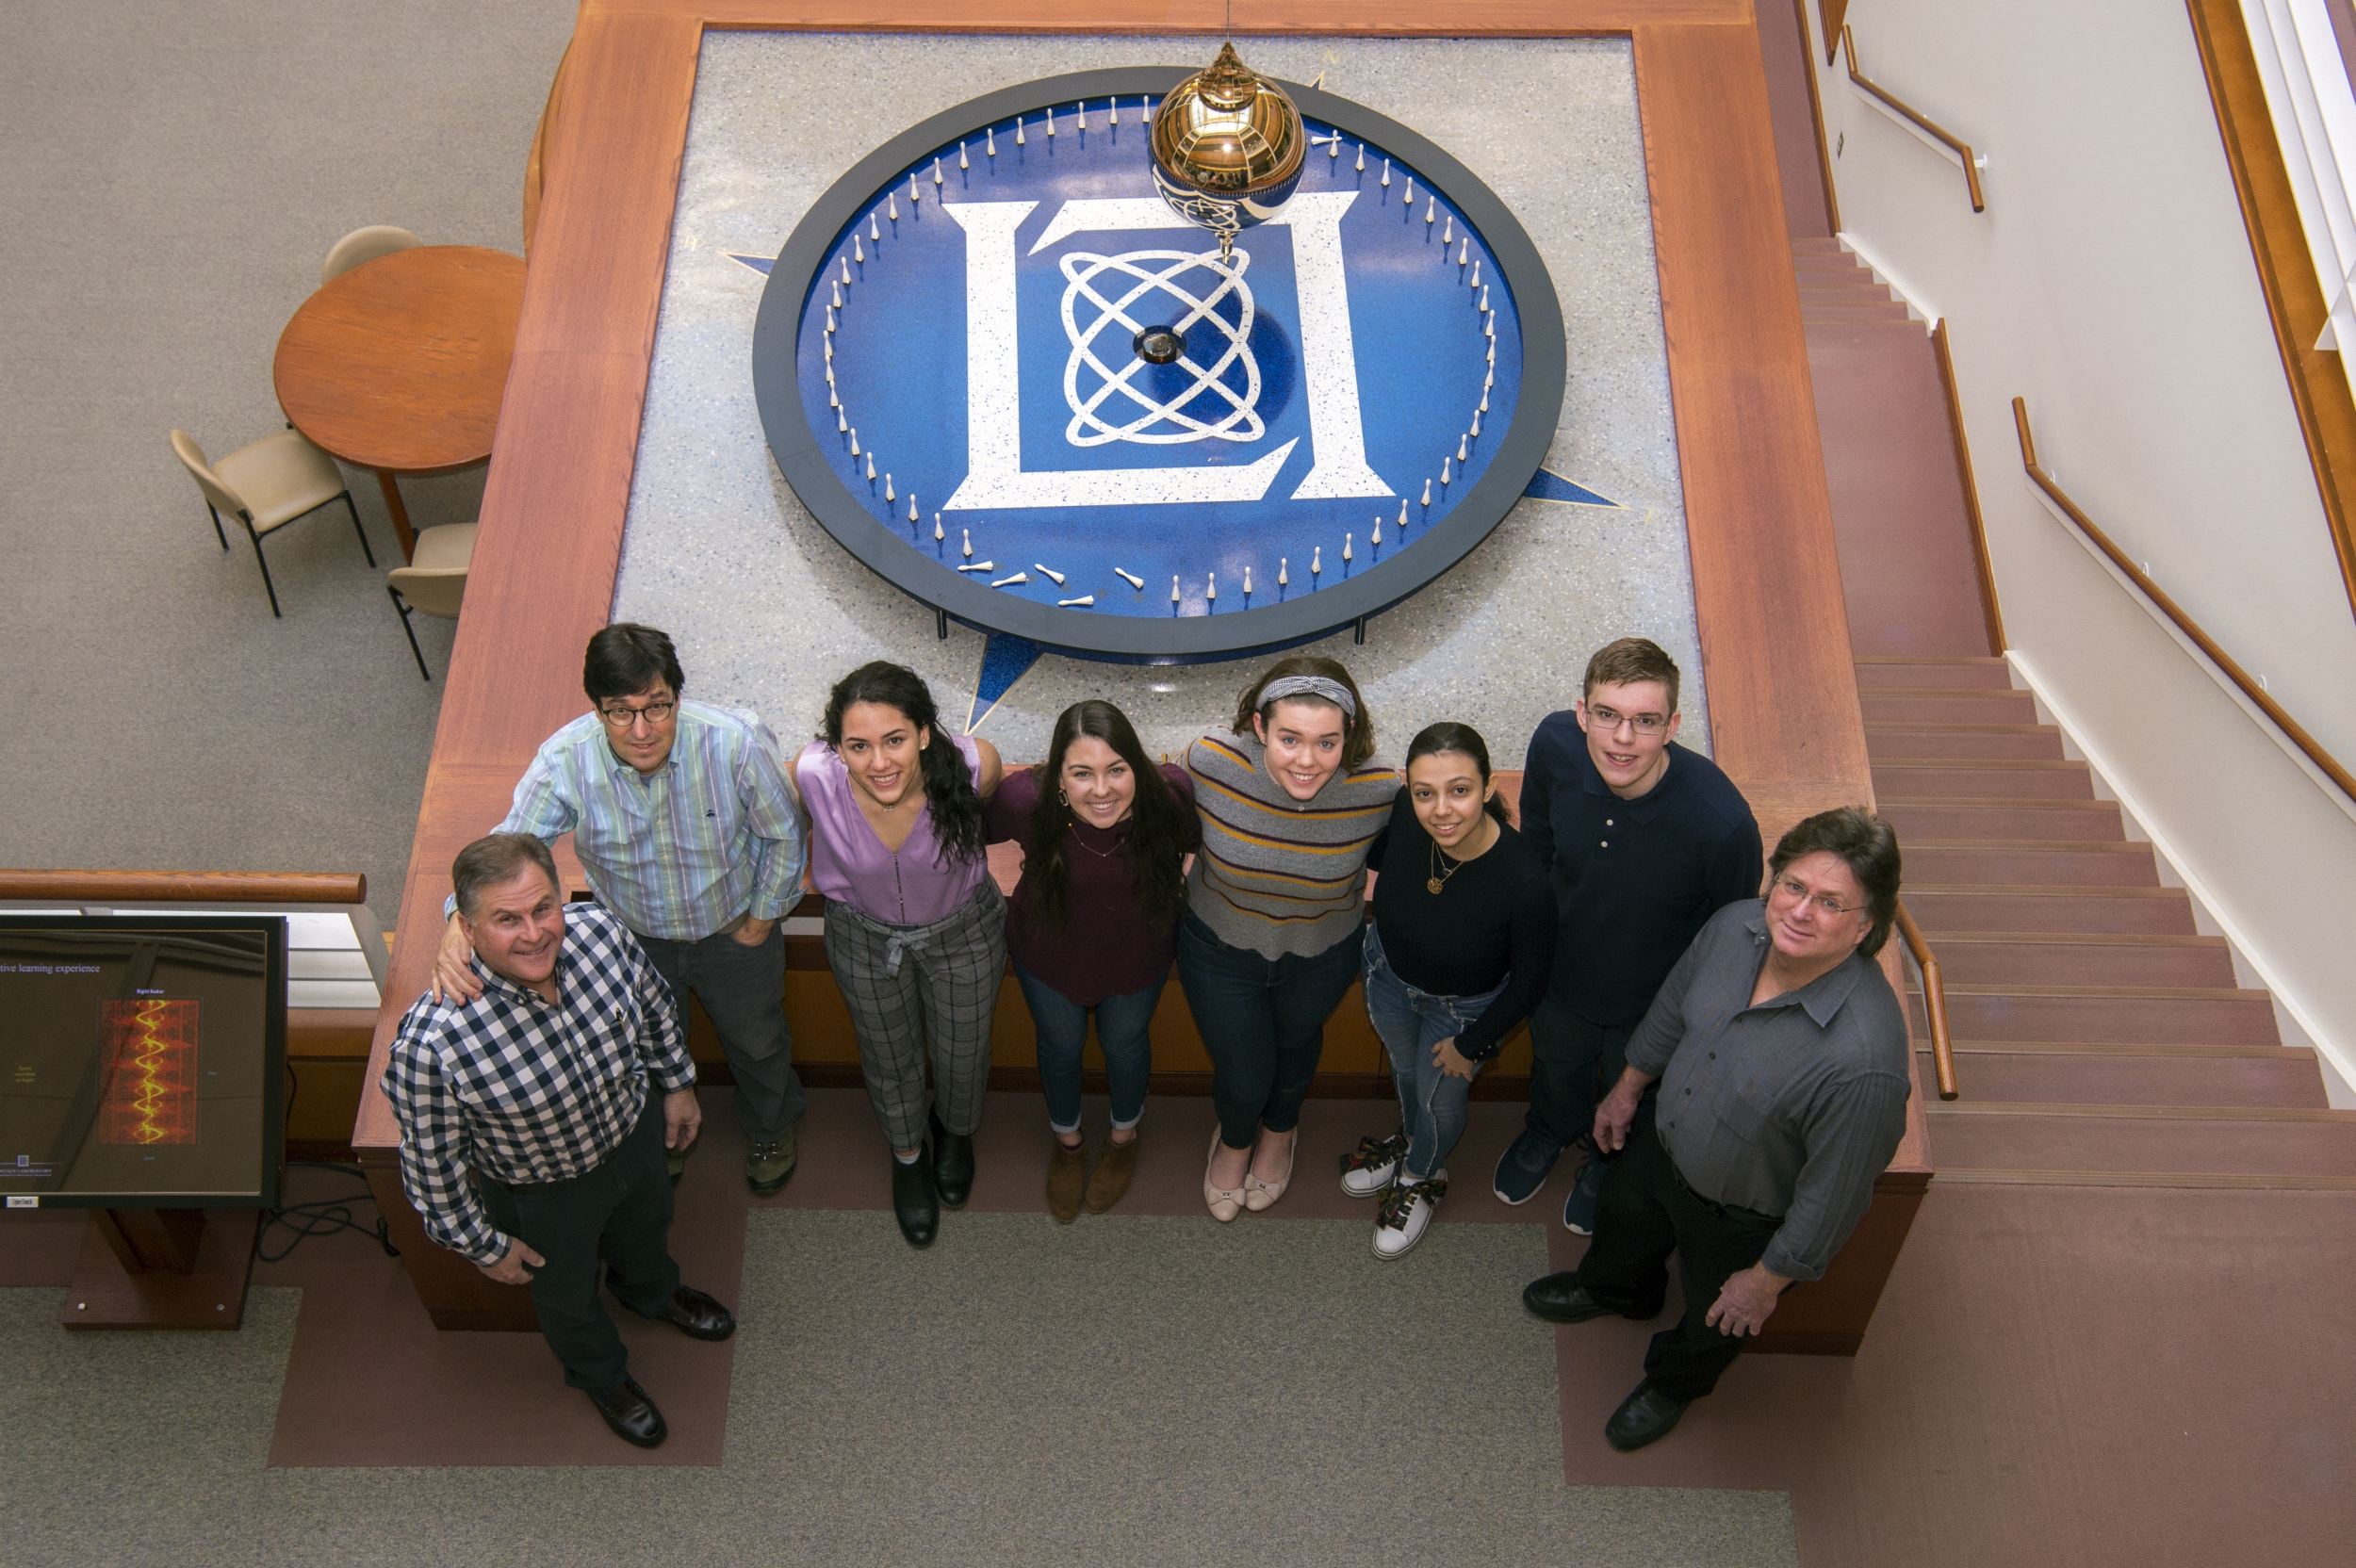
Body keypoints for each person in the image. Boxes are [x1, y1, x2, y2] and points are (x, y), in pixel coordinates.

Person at [1522, 808, 1912, 1452]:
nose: (1800, 911)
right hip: (1659, 1146)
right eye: (1793, 885)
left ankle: (1674, 1384)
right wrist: (1626, 1090)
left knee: (1717, 1316)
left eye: (1831, 902)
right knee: (1623, 1227)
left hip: (1741, 1218)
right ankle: (1616, 1290)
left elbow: (1833, 1198)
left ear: (1866, 926)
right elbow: (1673, 1009)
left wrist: (1766, 1280)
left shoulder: (1864, 1063)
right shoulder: (1734, 927)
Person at [431, 624, 809, 1198]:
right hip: (632, 944)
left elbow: (784, 835)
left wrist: (760, 920)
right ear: (597, 710)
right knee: (649, 1049)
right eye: (620, 712)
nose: (641, 730)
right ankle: (667, 1136)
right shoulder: (565, 759)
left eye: (657, 707)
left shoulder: (736, 742)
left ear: (677, 695)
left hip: (734, 933)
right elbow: (508, 849)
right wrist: (458, 922)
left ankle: (772, 1128)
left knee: (758, 1041)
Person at [385, 834, 737, 1450]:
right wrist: (480, 1245)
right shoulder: (431, 1043)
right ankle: (601, 1375)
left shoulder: (600, 932)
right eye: (506, 919)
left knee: (647, 1232)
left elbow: (654, 1007)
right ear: (465, 927)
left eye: (542, 908)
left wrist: (677, 1086)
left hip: (633, 1140)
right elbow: (430, 1165)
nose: (533, 933)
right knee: (568, 1298)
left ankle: (650, 1292)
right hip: (540, 1195)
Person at [1496, 637, 1762, 1236]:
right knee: (1557, 1068)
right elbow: (1536, 845)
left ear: (1672, 726)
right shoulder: (1554, 746)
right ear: (1582, 713)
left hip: (1653, 1005)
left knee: (1630, 1102)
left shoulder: (1721, 826)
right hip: (1561, 977)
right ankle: (1549, 1131)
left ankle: (1605, 1163)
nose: (1622, 739)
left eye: (1644, 721)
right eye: (1608, 716)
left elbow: (1730, 940)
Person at [789, 661, 1004, 1249]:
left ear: (925, 734)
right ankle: (908, 1155)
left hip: (964, 932)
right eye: (858, 746)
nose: (879, 762)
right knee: (889, 1056)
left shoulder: (972, 764)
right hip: (863, 937)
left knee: (964, 1050)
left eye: (894, 740)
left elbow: (989, 786)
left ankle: (956, 1133)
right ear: (836, 748)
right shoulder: (812, 775)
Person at [1177, 655, 1397, 1221]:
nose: (1307, 761)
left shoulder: (1377, 790)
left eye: (1327, 743)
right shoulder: (1211, 762)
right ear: (1258, 727)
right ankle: (1235, 1137)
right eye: (1290, 739)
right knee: (1245, 1072)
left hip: (1323, 954)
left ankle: (1280, 1131)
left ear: (1350, 736)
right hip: (1218, 949)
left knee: (1297, 1045)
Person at [1340, 723, 1555, 1258]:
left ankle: (1421, 1175)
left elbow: (1532, 979)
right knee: (1406, 1072)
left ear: (1487, 788)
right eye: (1424, 792)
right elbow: (1376, 858)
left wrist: (1473, 1043)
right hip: (1389, 978)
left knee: (1438, 1099)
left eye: (1459, 790)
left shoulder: (1525, 879)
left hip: (1462, 1014)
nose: (1440, 810)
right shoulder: (1407, 821)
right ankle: (1412, 1141)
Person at [986, 700, 1198, 1223]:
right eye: (1082, 773)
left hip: (1137, 950)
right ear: (1058, 776)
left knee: (1125, 1044)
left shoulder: (1168, 796)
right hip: (1048, 948)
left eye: (1116, 770)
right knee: (1059, 1046)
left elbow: (1195, 845)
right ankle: (1069, 1143)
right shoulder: (1022, 798)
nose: (1101, 790)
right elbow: (964, 838)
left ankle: (1124, 1137)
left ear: (1137, 768)